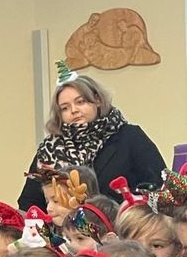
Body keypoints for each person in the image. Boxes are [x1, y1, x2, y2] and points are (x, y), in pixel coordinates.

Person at [18, 67, 165, 210]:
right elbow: (29, 203)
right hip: (64, 232)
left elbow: (159, 186)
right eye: (65, 108)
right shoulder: (49, 149)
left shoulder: (130, 136)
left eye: (80, 102)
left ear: (97, 100)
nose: (74, 110)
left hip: (124, 229)